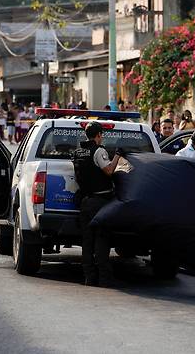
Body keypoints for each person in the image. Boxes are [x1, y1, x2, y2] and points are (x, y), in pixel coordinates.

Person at [73, 122, 121, 287]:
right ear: (99, 135)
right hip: (100, 202)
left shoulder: (78, 151)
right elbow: (108, 171)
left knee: (87, 241)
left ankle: (89, 277)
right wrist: (117, 156)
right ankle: (104, 279)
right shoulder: (99, 151)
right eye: (102, 135)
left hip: (84, 202)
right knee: (101, 239)